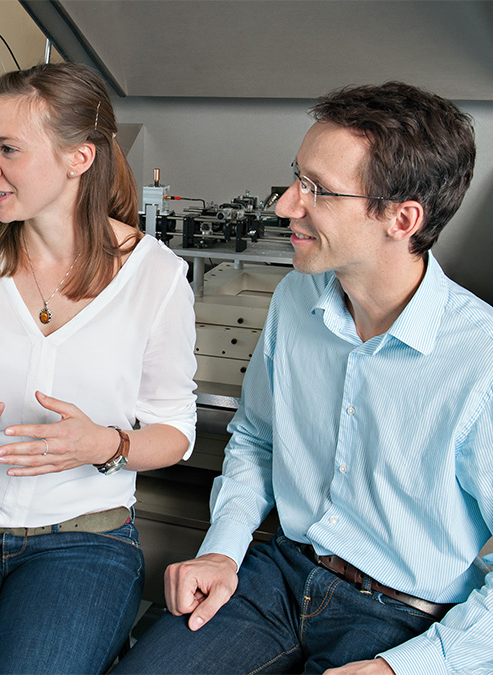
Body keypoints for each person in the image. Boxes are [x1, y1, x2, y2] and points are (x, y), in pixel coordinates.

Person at [114, 82, 493, 674]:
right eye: (297, 177)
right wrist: (221, 552)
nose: (286, 205)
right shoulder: (297, 298)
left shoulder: (480, 359)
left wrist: (409, 667)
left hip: (409, 621)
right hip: (283, 576)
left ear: (402, 218)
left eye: (316, 190)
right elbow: (258, 439)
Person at [0, 62, 198, 673]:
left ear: (79, 158)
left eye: (7, 150)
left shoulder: (156, 277)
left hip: (84, 541)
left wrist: (103, 443)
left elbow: (176, 433)